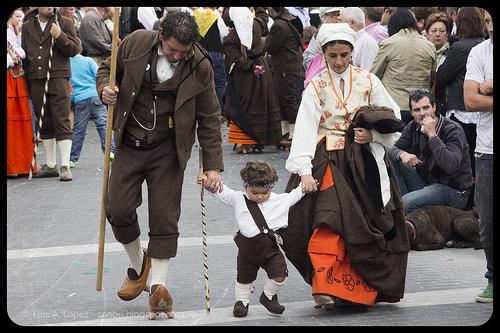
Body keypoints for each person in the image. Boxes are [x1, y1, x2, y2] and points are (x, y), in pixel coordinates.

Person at [96, 10, 224, 318]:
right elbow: (105, 70)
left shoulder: (200, 64)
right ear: (161, 35)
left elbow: (209, 117)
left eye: (184, 50)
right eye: (172, 49)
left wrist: (213, 166)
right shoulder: (134, 43)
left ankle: (157, 288)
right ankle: (139, 266)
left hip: (169, 149)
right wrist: (106, 90)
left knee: (165, 217)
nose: (178, 55)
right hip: (129, 142)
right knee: (118, 207)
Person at [281, 23, 409, 309]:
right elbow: (304, 128)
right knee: (328, 221)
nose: (339, 61)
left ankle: (358, 289)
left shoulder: (369, 81)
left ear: (352, 52)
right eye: (333, 55)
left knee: (365, 223)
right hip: (326, 160)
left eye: (344, 54)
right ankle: (324, 287)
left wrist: (373, 135)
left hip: (364, 163)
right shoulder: (316, 86)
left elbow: (393, 120)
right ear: (323, 54)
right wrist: (303, 170)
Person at [199, 160, 305, 317]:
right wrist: (207, 183)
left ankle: (268, 297)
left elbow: (296, 195)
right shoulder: (238, 198)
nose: (260, 197)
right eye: (254, 193)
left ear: (271, 188)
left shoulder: (280, 200)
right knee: (244, 278)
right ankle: (242, 302)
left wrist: (307, 184)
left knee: (280, 273)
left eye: (265, 193)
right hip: (247, 251)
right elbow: (221, 191)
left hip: (270, 249)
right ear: (245, 186)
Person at [388, 89, 473, 214]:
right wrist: (402, 154)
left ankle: (406, 209)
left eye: (426, 107)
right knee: (394, 160)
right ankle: (407, 210)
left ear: (434, 107)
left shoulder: (453, 129)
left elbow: (451, 166)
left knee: (406, 202)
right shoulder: (412, 126)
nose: (422, 113)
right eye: (417, 110)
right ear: (411, 112)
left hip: (454, 191)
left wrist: (432, 135)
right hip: (427, 185)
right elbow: (393, 150)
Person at [22, 7, 79, 181]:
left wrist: (60, 35)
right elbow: (25, 54)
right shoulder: (27, 26)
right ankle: (51, 164)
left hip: (58, 77)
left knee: (61, 119)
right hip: (36, 78)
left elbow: (74, 49)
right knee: (44, 120)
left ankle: (64, 165)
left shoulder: (64, 22)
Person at [222, 7, 281, 154]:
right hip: (261, 69)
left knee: (242, 105)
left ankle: (247, 141)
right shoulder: (256, 25)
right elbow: (263, 17)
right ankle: (262, 138)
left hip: (245, 76)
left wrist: (250, 67)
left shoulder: (230, 37)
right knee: (262, 102)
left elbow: (236, 58)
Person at [464, 9, 493, 304]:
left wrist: (490, 86)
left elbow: (481, 95)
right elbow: (471, 99)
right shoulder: (479, 52)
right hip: (487, 150)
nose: (491, 27)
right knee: (487, 221)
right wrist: (481, 89)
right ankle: (492, 278)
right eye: (487, 22)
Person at [435, 7, 485, 177]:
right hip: (483, 109)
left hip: (462, 106)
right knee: (479, 154)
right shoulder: (486, 45)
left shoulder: (460, 48)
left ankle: (464, 191)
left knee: (462, 154)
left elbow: (441, 76)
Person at [371, 8, 436, 124]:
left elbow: (374, 75)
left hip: (394, 105)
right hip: (421, 106)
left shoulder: (389, 44)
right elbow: (432, 77)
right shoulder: (429, 46)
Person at [68, 38, 115, 168]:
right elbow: (98, 75)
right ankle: (110, 150)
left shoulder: (68, 64)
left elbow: (68, 85)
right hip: (95, 96)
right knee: (103, 124)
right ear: (81, 49)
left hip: (80, 99)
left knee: (79, 129)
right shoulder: (88, 61)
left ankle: (72, 158)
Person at [265, 7, 305, 149]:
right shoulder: (291, 19)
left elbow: (270, 47)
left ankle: (292, 134)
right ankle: (286, 133)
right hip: (293, 65)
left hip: (285, 68)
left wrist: (264, 40)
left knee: (287, 100)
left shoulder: (279, 25)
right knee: (288, 99)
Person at [7, 9, 36, 178]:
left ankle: (20, 164)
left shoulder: (13, 32)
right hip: (9, 78)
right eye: (16, 16)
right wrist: (11, 60)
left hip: (16, 78)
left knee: (19, 123)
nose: (19, 19)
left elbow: (21, 53)